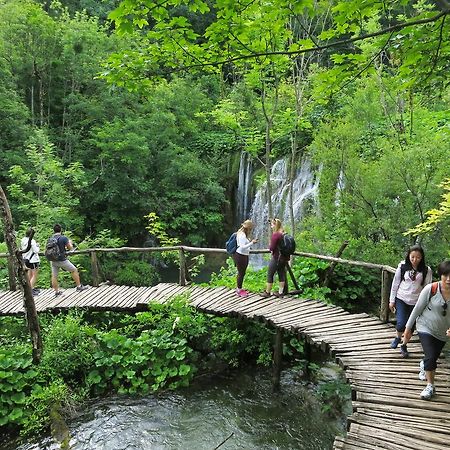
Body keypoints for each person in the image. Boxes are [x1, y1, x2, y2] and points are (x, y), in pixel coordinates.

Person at [403, 260, 450, 400]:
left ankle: (424, 364)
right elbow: (417, 308)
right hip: (425, 326)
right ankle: (430, 386)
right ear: (440, 275)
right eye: (445, 275)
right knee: (430, 356)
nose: (449, 279)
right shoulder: (431, 289)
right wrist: (408, 328)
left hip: (442, 333)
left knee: (432, 357)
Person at [389, 245, 432, 357]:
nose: (415, 260)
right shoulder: (402, 266)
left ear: (422, 257)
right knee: (401, 323)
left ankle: (404, 345)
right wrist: (391, 300)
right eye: (412, 257)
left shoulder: (426, 270)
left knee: (411, 326)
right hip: (401, 298)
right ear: (409, 256)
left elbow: (427, 288)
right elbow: (395, 284)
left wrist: (425, 304)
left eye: (418, 257)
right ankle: (398, 337)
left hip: (416, 302)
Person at [49, 224, 88, 296]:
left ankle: (57, 292)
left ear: (53, 230)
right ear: (61, 230)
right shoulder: (63, 238)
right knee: (74, 270)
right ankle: (79, 286)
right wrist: (70, 242)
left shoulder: (50, 239)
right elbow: (70, 248)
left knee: (54, 276)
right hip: (62, 260)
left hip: (53, 260)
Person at [260, 218, 289, 298]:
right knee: (281, 274)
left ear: (275, 225)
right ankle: (280, 292)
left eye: (272, 224)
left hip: (277, 258)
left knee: (270, 274)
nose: (271, 226)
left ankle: (267, 292)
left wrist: (270, 245)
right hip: (284, 258)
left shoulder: (276, 235)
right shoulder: (284, 233)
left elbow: (271, 248)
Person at [233, 219, 257, 297]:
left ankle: (239, 288)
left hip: (242, 255)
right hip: (241, 255)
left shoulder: (240, 233)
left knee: (241, 273)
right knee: (241, 273)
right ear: (248, 228)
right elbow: (242, 246)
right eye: (250, 228)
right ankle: (239, 290)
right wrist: (251, 243)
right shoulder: (242, 235)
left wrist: (249, 242)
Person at [21, 228, 40, 296]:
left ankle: (29, 288)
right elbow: (36, 251)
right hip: (33, 260)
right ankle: (30, 290)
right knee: (34, 275)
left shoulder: (23, 240)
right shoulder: (32, 241)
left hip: (26, 259)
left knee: (29, 275)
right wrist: (38, 246)